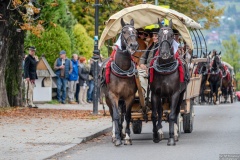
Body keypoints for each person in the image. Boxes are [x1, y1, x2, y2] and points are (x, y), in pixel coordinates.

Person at [139, 27, 159, 97]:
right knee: (135, 74)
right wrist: (141, 64)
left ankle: (147, 95)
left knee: (139, 74)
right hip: (146, 68)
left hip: (156, 69)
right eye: (153, 36)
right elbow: (143, 56)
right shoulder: (151, 45)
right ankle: (144, 92)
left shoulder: (162, 47)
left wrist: (150, 68)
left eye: (156, 36)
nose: (153, 37)